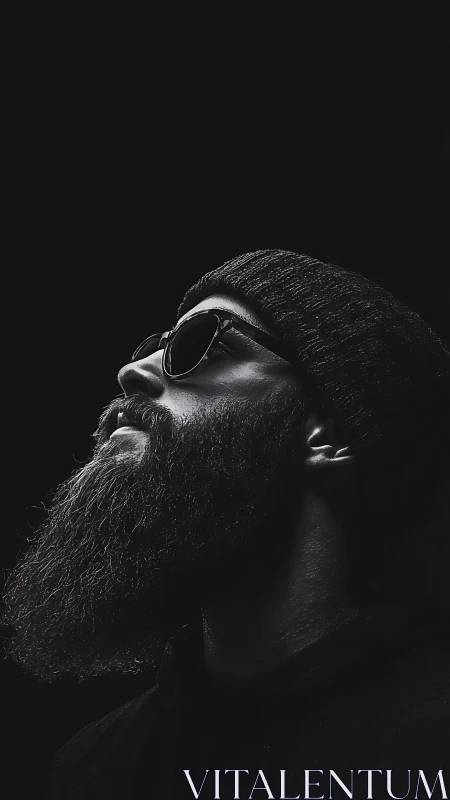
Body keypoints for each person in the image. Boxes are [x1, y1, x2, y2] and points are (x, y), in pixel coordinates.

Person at [3, 250, 450, 799]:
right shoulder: (91, 766)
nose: (132, 372)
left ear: (327, 436)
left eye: (201, 343)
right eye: (154, 348)